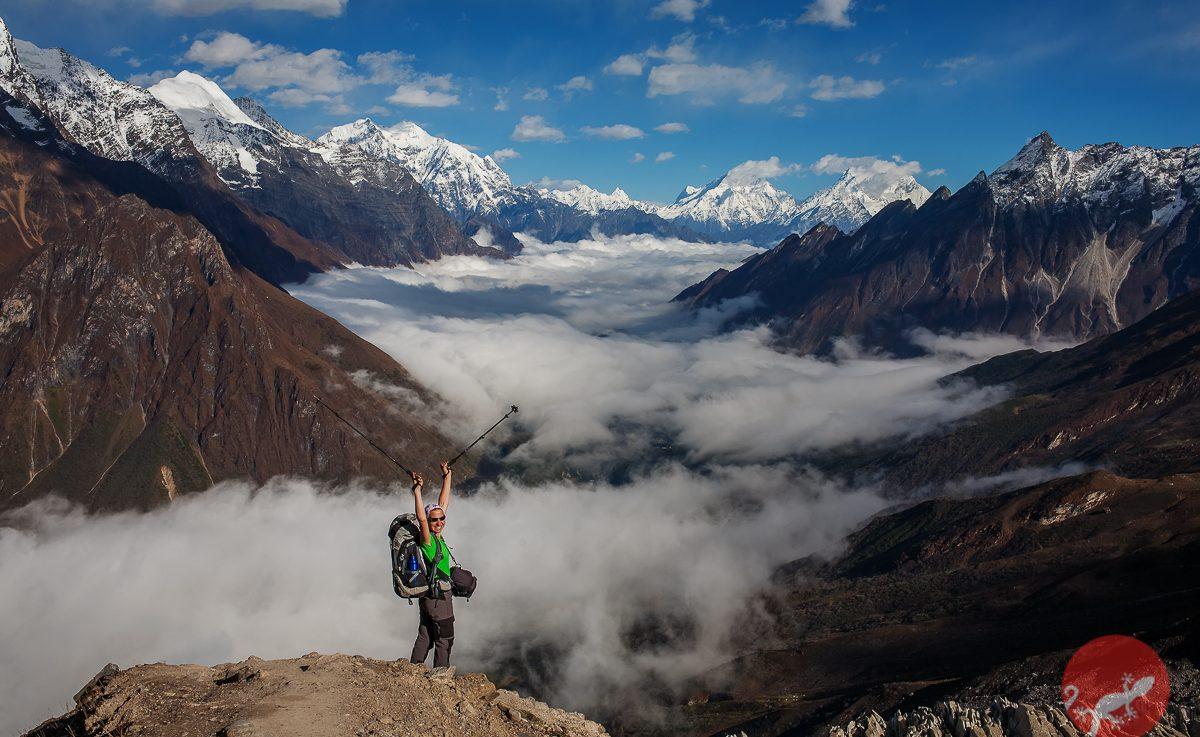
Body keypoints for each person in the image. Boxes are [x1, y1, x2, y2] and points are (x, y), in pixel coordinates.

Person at [409, 461, 456, 671]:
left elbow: (443, 503)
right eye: (435, 520)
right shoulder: (428, 541)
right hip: (439, 597)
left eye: (442, 519)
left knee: (426, 634)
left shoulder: (438, 536)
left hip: (428, 596)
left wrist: (447, 476)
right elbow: (421, 519)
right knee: (445, 637)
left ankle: (413, 669)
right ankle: (441, 677)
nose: (440, 522)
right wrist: (417, 492)